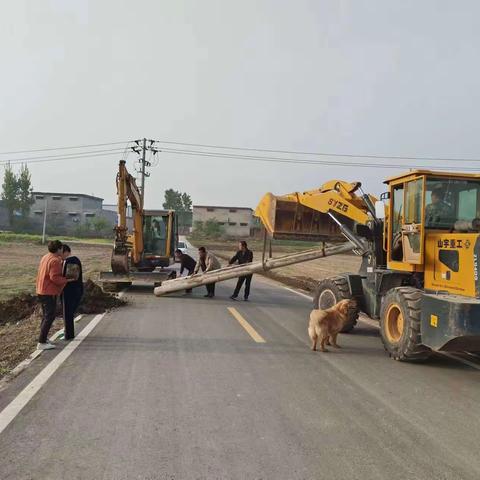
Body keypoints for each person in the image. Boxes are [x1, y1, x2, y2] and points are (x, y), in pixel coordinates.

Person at [36, 240, 69, 350]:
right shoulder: (55, 260)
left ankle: (43, 338)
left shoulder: (46, 257)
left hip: (41, 289)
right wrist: (67, 280)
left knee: (46, 315)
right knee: (49, 316)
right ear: (59, 249)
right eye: (61, 248)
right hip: (48, 291)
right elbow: (54, 278)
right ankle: (41, 342)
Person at [61, 244, 84, 340]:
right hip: (75, 289)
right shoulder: (73, 260)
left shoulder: (71, 261)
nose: (59, 256)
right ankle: (67, 332)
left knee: (68, 313)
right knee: (68, 312)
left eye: (60, 253)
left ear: (66, 252)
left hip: (71, 290)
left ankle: (68, 334)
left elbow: (71, 277)